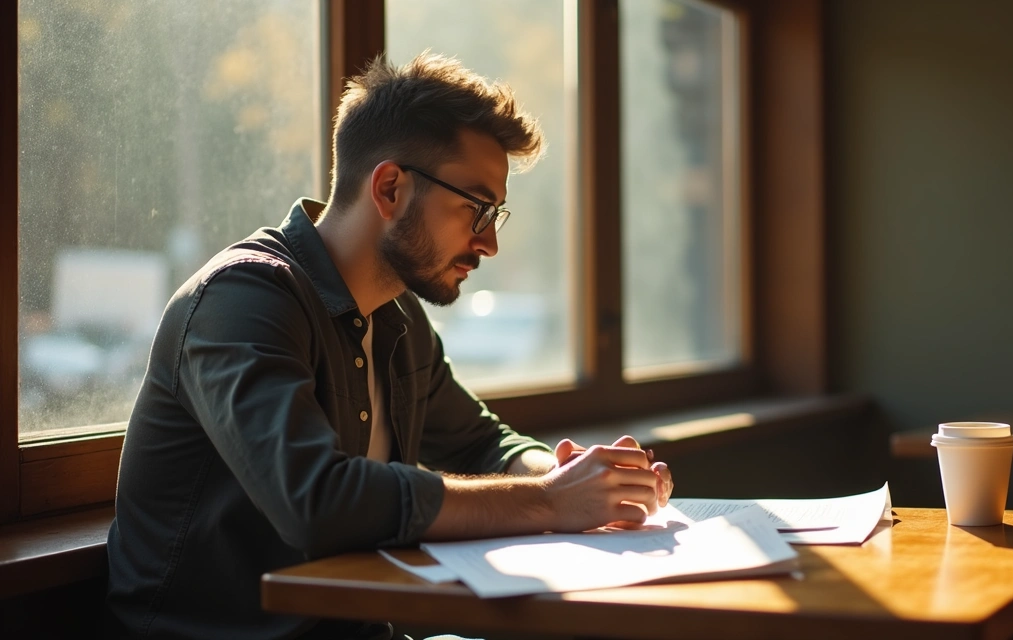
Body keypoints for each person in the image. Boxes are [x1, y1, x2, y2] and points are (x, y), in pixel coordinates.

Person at [105, 52, 674, 640]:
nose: (489, 243)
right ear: (390, 188)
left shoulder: (399, 314)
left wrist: (573, 473)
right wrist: (550, 500)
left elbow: (479, 442)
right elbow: (316, 500)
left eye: (495, 214)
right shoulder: (241, 299)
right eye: (476, 209)